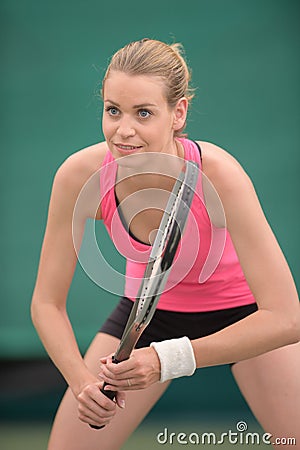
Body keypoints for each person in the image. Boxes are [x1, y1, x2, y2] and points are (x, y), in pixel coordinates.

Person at [31, 38, 300, 450]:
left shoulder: (221, 175)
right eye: (112, 110)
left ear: (178, 113)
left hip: (246, 318)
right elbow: (46, 303)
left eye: (143, 113)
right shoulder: (77, 177)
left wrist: (165, 360)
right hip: (149, 315)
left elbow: (286, 317)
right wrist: (82, 382)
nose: (124, 130)